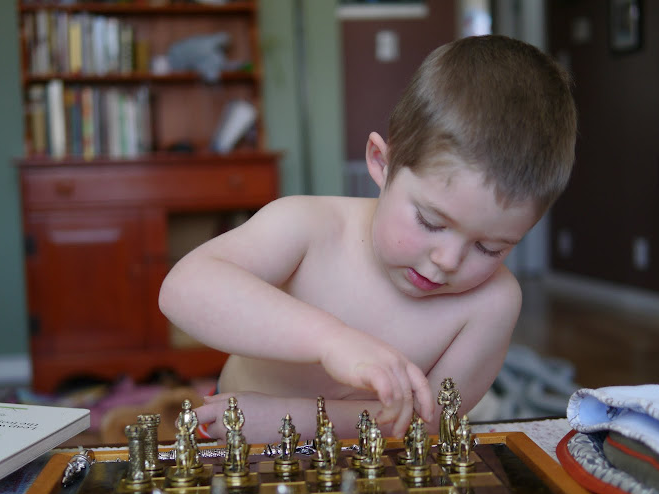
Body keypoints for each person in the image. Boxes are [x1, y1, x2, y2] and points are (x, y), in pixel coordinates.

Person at [159, 34, 577, 443]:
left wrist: (293, 420)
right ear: (382, 163)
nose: (448, 260)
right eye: (431, 221)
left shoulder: (493, 302)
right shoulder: (307, 225)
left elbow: (430, 422)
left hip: (368, 458)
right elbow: (183, 289)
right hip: (236, 438)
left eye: (491, 248)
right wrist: (330, 340)